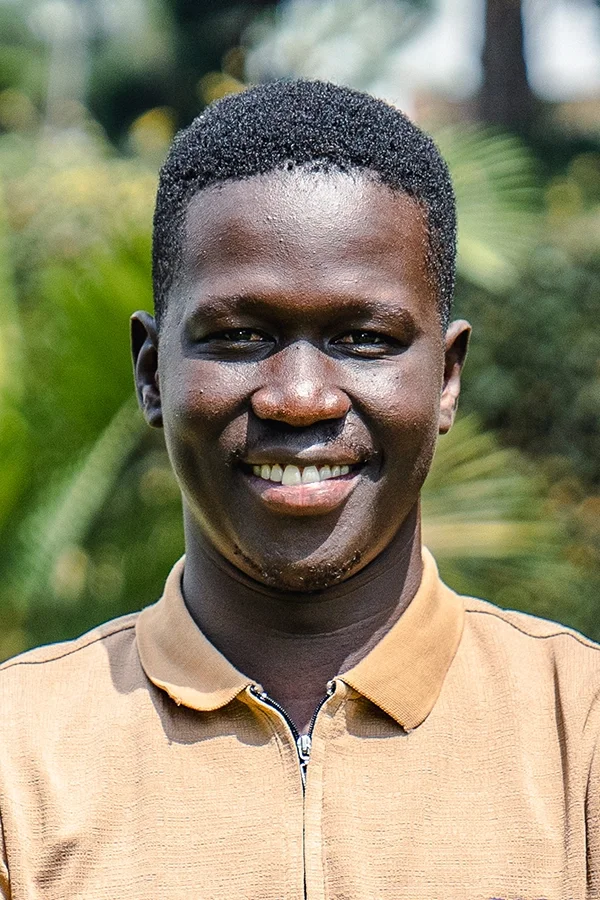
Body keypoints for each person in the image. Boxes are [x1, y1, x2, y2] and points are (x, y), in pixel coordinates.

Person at [0, 78, 599, 900]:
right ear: (150, 373)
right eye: (240, 336)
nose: (301, 397)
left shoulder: (582, 738)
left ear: (447, 377)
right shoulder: (17, 758)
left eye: (364, 338)